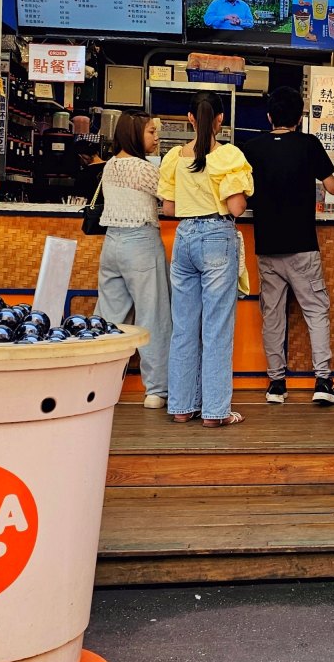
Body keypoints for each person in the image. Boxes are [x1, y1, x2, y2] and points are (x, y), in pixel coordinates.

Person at [241, 86, 334, 406]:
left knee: (273, 315)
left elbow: (242, 194)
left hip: (267, 247)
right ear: (299, 118)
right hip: (302, 246)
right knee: (316, 310)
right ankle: (323, 381)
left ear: (270, 117)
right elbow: (333, 187)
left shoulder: (251, 148)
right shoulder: (309, 144)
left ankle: (276, 386)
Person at [158, 94, 255, 427]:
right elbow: (237, 207)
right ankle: (215, 412)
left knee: (183, 329)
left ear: (190, 118)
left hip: (184, 237)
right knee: (216, 329)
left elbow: (168, 208)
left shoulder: (174, 156)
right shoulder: (227, 155)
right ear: (220, 121)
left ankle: (182, 407)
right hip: (216, 236)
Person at [95, 114, 172, 408]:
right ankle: (156, 389)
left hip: (111, 245)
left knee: (109, 318)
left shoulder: (110, 166)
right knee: (153, 316)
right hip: (140, 242)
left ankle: (98, 384)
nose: (156, 137)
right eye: (151, 132)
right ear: (134, 134)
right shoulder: (143, 169)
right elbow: (171, 199)